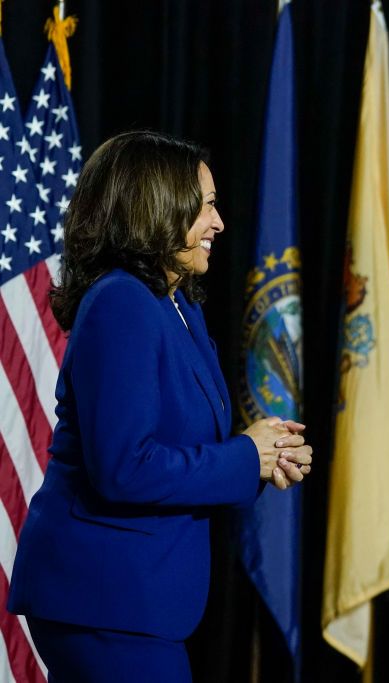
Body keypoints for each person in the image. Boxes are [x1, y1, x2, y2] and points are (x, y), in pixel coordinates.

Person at [7, 131, 313, 683]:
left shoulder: (174, 303)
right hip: (102, 601)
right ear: (156, 207)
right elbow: (125, 468)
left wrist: (262, 455)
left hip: (137, 604)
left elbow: (179, 444)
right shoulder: (121, 304)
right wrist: (245, 457)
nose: (218, 223)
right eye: (206, 206)